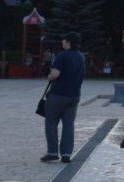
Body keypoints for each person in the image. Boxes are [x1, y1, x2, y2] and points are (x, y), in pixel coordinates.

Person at [41, 31, 85, 164]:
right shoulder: (81, 57)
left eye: (64, 40)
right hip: (74, 96)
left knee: (51, 122)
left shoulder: (62, 56)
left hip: (58, 94)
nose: (62, 42)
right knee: (68, 125)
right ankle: (66, 155)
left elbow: (55, 74)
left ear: (68, 42)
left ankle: (52, 153)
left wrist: (48, 76)